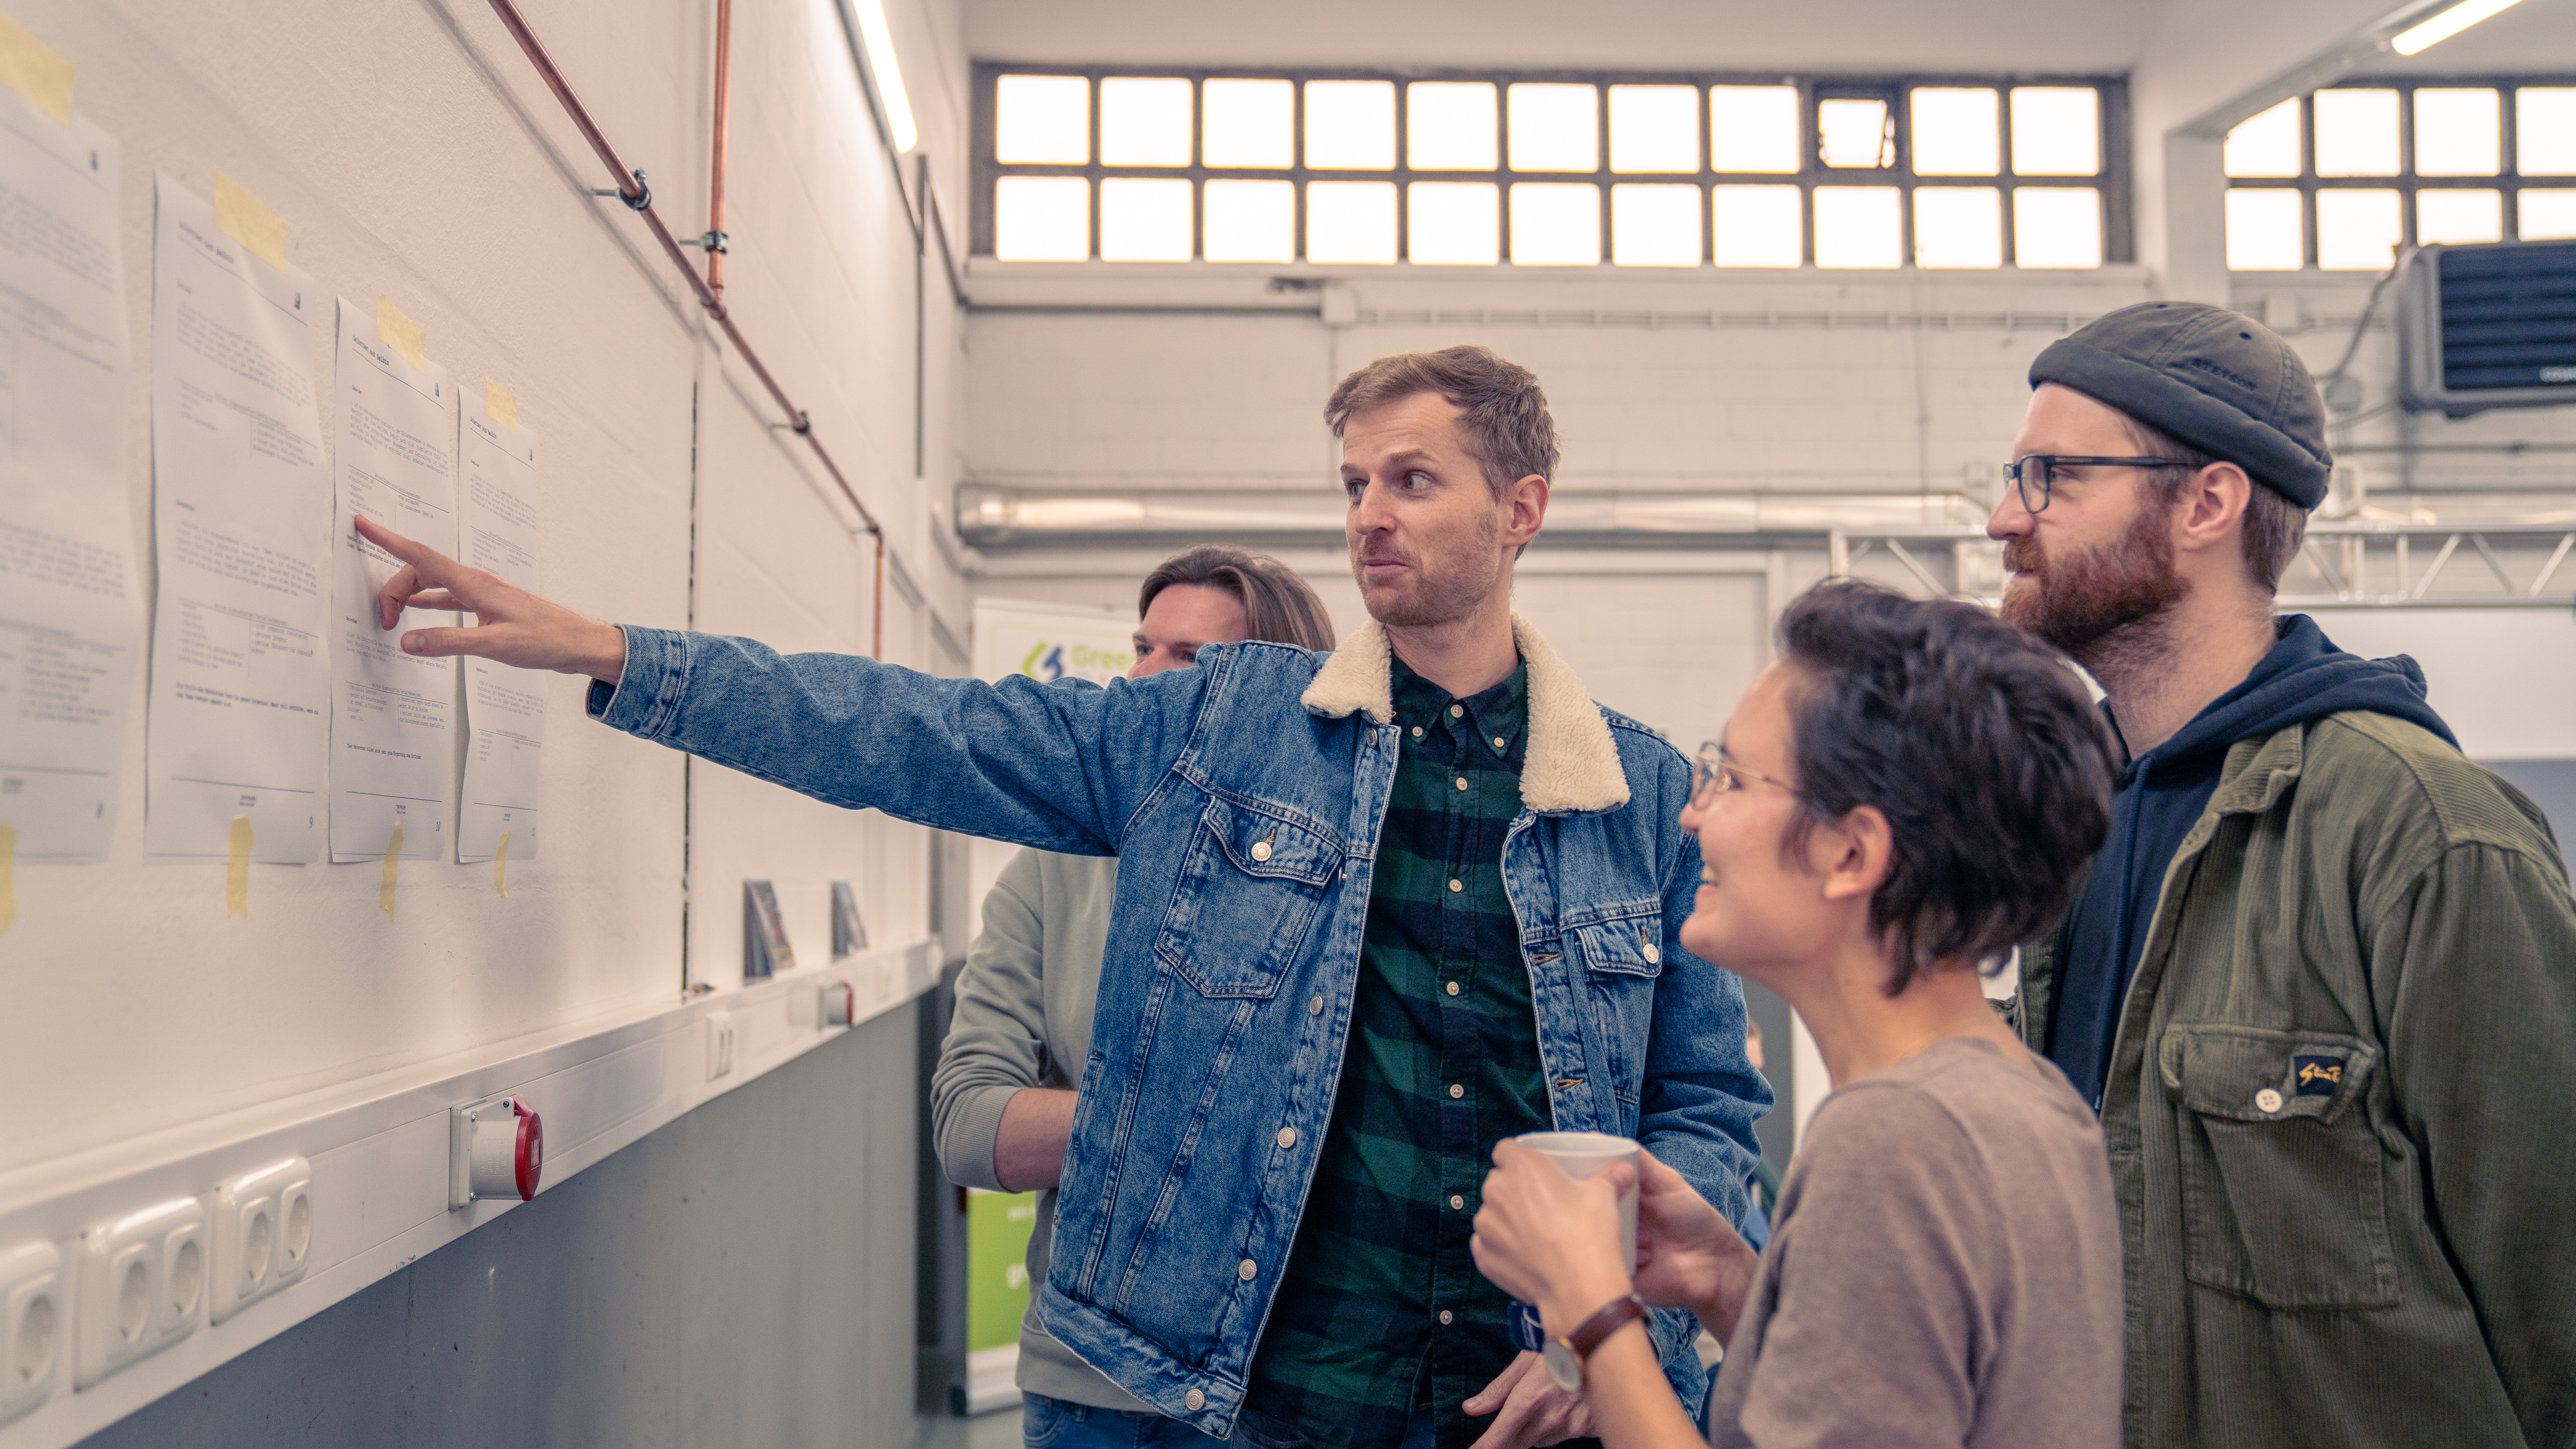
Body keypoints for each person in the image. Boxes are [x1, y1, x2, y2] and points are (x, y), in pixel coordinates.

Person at [351, 343, 1770, 1449]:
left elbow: (1704, 1109)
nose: (1369, 518)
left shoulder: (1642, 799)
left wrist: (1608, 1332)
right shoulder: (1220, 724)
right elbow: (910, 729)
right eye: (1352, 483)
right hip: (1244, 1394)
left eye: (1412, 480)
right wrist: (612, 651)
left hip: (1522, 1401)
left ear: (1523, 509)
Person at [1987, 300, 2576, 1448]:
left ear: (2208, 502)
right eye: (2013, 472)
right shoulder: (2073, 831)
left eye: (2052, 475)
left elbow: (2556, 1303)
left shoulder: (2428, 838)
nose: (2007, 517)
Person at [1470, 579, 2125, 1449]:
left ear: (1851, 852)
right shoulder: (2017, 1098)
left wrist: (1593, 1313)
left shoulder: (1895, 1140)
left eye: (1732, 778)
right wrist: (1730, 1281)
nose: (1695, 812)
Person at [932, 545, 1338, 1447]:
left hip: (1298, 1384)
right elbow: (969, 1123)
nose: (1140, 679)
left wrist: (1106, 1125)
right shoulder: (1056, 867)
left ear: (1277, 689)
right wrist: (1209, 1121)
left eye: (1186, 657)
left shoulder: (1350, 876)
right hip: (1095, 1390)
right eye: (1141, 648)